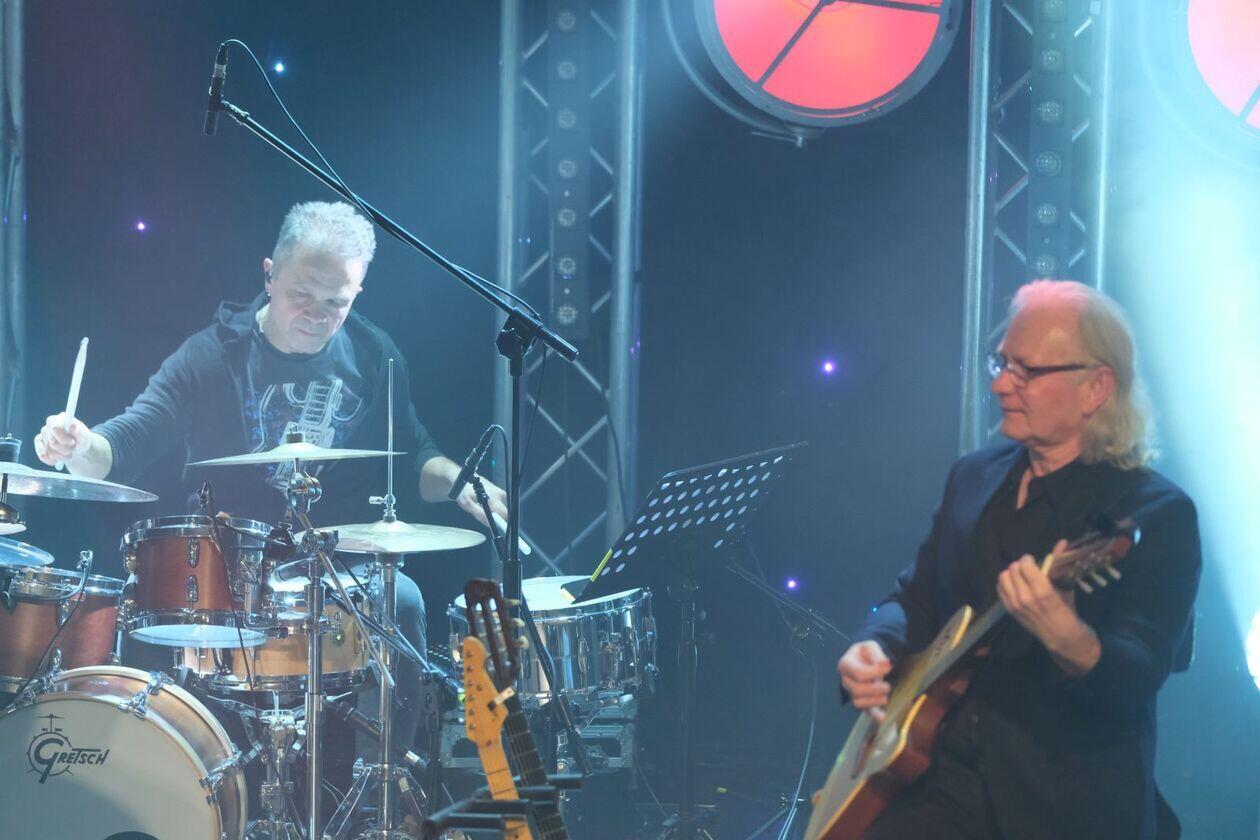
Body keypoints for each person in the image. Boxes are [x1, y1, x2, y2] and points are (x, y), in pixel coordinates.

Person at [33, 200, 507, 767]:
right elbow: (125, 444)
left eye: (336, 302)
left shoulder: (375, 355)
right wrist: (78, 446)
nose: (317, 314)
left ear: (357, 292)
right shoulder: (212, 355)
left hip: (336, 563)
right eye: (302, 294)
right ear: (270, 275)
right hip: (229, 564)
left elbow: (413, 455)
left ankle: (379, 786)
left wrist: (460, 483)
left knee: (401, 599)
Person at [837, 280, 1200, 840]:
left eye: (1026, 371)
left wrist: (1067, 637)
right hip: (938, 780)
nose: (1000, 384)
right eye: (1002, 363)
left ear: (1095, 387)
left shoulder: (1156, 513)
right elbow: (915, 597)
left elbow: (1140, 672)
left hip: (1061, 803)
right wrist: (874, 645)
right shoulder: (974, 476)